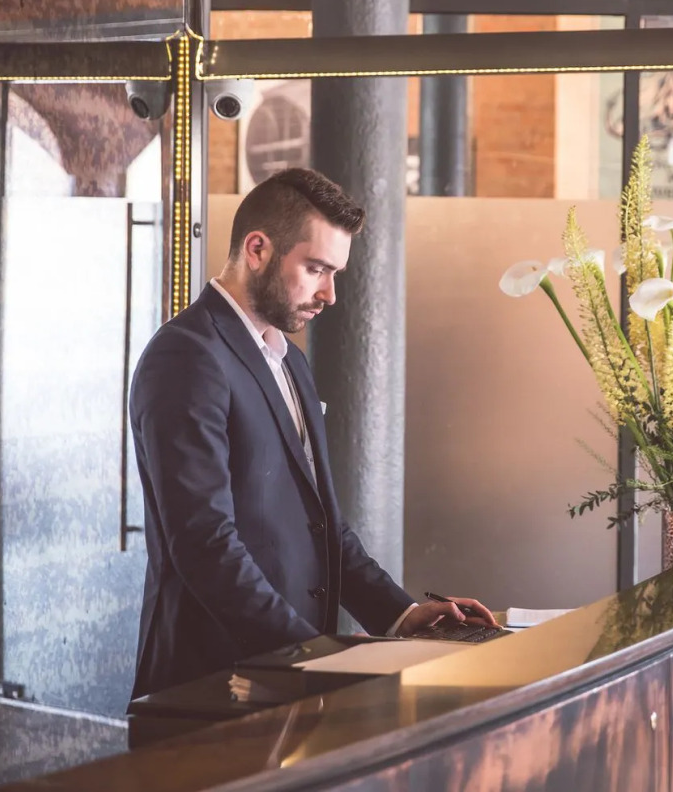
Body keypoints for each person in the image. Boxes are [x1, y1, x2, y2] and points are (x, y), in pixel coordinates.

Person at [129, 168, 496, 698]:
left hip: (286, 677)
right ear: (257, 248)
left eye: (335, 273)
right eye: (316, 269)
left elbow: (324, 527)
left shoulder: (291, 362)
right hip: (211, 683)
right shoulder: (186, 355)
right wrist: (313, 656)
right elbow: (205, 545)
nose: (330, 294)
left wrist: (401, 613)